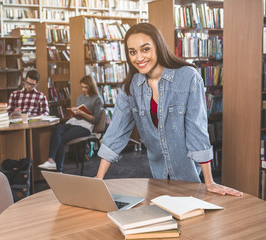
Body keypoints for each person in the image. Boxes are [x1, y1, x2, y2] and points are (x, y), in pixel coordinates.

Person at [95, 22, 243, 197]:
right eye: (132, 52)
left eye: (145, 49)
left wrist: (209, 182)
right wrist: (98, 178)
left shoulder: (188, 77)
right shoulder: (131, 87)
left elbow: (197, 130)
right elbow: (116, 131)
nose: (139, 58)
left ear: (158, 47)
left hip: (189, 176)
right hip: (157, 177)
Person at [38, 75, 103, 172]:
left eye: (86, 87)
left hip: (86, 126)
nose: (83, 89)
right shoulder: (80, 97)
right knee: (57, 129)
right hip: (75, 122)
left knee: (62, 139)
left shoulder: (97, 99)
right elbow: (77, 114)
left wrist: (82, 113)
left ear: (91, 86)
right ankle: (51, 160)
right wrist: (75, 112)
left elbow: (95, 120)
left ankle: (57, 168)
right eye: (82, 87)